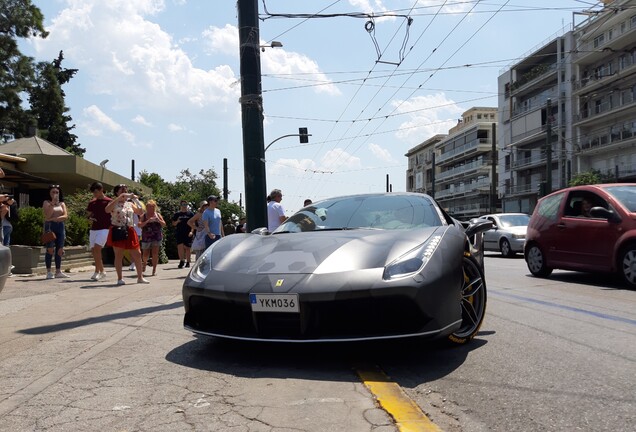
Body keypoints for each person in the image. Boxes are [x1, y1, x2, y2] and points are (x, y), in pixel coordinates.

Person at [105, 184, 149, 285]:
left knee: (137, 254)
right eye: (122, 189)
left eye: (125, 189)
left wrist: (136, 200)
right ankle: (120, 278)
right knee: (119, 255)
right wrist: (119, 198)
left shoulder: (129, 204)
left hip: (129, 229)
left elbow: (140, 212)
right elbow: (107, 210)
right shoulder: (113, 203)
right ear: (117, 192)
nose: (124, 191)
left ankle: (140, 277)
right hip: (117, 229)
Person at [43, 184, 70, 279]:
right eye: (53, 192)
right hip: (50, 226)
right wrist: (52, 204)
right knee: (50, 249)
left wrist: (56, 218)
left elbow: (65, 216)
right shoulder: (47, 202)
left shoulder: (62, 203)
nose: (55, 194)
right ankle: (49, 271)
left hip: (60, 226)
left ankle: (58, 271)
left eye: (57, 192)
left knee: (60, 249)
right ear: (49, 193)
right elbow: (47, 216)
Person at [86, 182, 112, 281]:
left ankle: (97, 272)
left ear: (101, 190)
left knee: (97, 248)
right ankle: (102, 271)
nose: (95, 194)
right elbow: (88, 215)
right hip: (94, 229)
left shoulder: (110, 201)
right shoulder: (92, 203)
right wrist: (90, 218)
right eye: (93, 192)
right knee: (94, 251)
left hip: (105, 228)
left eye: (96, 192)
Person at [138, 199, 166, 276]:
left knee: (155, 253)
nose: (151, 208)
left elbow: (164, 224)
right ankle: (144, 264)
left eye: (153, 206)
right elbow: (139, 225)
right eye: (150, 206)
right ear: (147, 207)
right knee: (145, 254)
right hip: (146, 237)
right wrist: (147, 221)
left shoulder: (158, 215)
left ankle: (154, 270)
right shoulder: (143, 215)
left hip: (156, 236)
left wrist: (158, 220)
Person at [172, 200, 194, 268]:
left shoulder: (190, 214)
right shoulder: (177, 214)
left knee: (188, 248)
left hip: (188, 232)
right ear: (180, 205)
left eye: (185, 204)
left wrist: (192, 231)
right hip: (180, 232)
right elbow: (173, 224)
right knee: (180, 247)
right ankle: (182, 261)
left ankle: (188, 261)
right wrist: (177, 221)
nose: (184, 206)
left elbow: (193, 224)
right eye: (183, 204)